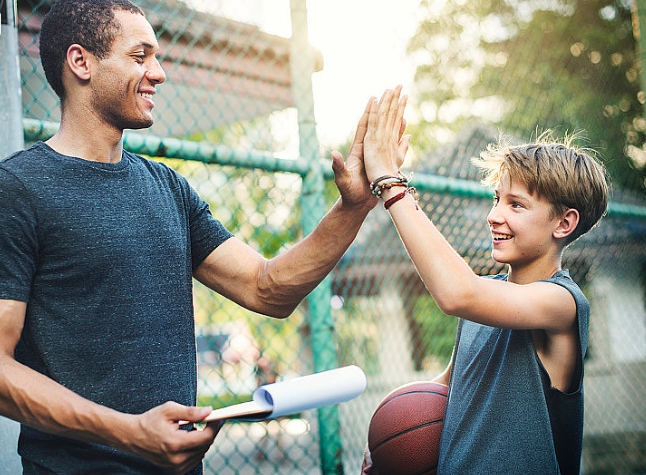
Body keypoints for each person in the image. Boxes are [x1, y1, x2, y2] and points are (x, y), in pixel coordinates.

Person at [0, 1, 406, 473]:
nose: (159, 73)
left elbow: (267, 289)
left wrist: (353, 208)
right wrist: (127, 432)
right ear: (81, 62)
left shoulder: (168, 188)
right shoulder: (18, 190)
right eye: (140, 56)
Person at [360, 89, 608, 474]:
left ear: (564, 223)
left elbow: (459, 292)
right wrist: (390, 445)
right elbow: (445, 391)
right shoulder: (482, 300)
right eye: (496, 199)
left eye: (516, 204)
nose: (493, 215)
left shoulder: (562, 304)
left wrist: (391, 184)